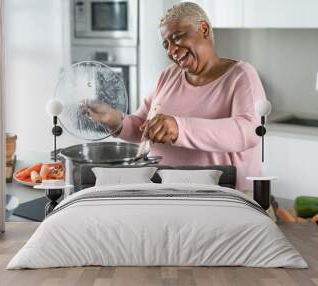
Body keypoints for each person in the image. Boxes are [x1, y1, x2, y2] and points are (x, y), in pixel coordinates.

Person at [86, 2, 267, 191]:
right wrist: (115, 121)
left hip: (221, 197)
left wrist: (179, 128)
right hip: (165, 193)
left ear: (203, 29)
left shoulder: (241, 75)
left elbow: (250, 131)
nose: (171, 51)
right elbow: (143, 128)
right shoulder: (168, 76)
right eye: (166, 44)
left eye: (177, 38)